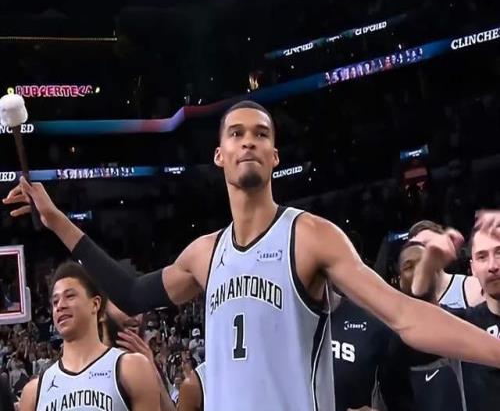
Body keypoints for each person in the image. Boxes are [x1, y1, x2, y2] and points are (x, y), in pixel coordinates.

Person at [5, 101, 500, 411]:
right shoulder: (203, 254)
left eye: (261, 134)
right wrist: (56, 220)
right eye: (236, 133)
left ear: (274, 157)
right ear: (219, 155)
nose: (249, 141)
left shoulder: (310, 236)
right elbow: (132, 294)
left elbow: (405, 315)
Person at [18, 262, 160, 411]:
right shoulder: (33, 392)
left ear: (95, 304)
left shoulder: (131, 369)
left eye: (70, 296)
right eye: (55, 301)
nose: (60, 306)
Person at [396, 211, 500, 411]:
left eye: (499, 252)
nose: (493, 265)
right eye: (482, 256)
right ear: (473, 267)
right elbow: (415, 323)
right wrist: (427, 264)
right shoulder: (466, 324)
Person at [101, 301, 176, 411]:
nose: (134, 311)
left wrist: (152, 370)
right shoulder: (84, 364)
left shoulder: (151, 365)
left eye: (138, 301)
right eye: (121, 299)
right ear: (101, 311)